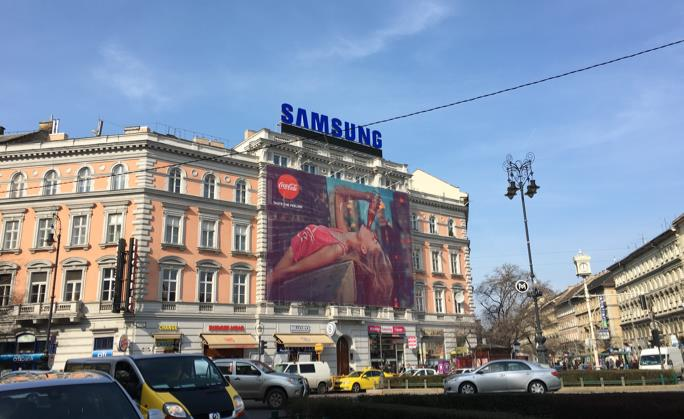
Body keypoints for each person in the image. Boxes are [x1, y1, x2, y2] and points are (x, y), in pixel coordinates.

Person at [271, 187, 394, 304]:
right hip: (283, 256)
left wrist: (269, 279)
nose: (375, 236)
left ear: (363, 248)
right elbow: (338, 193)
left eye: (375, 242)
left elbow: (293, 269)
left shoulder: (337, 249)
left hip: (282, 266)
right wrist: (367, 196)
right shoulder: (343, 233)